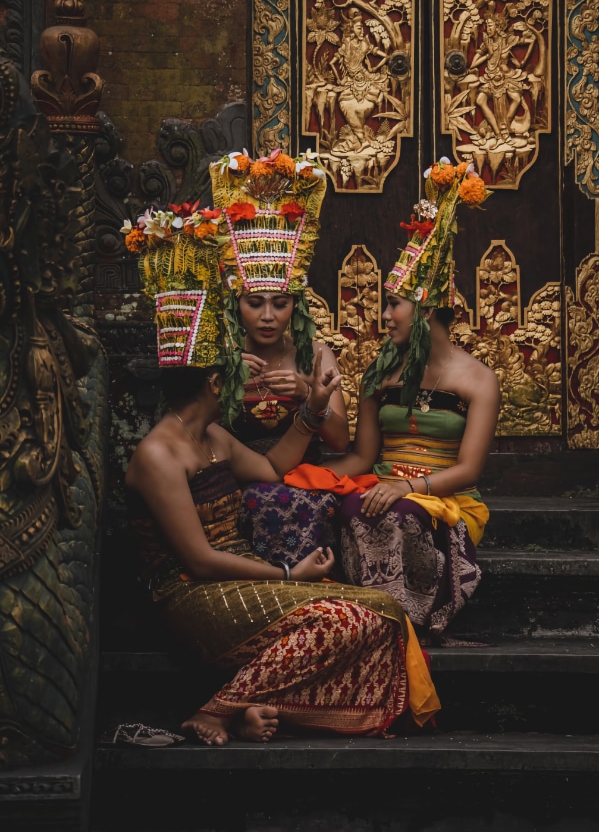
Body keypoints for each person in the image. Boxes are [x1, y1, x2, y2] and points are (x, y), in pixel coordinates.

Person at [122, 211, 439, 744]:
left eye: (280, 302)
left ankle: (261, 705)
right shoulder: (159, 453)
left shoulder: (213, 437)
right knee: (346, 619)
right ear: (219, 379)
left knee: (383, 614)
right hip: (192, 595)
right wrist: (291, 575)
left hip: (244, 571)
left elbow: (272, 467)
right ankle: (217, 708)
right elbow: (198, 562)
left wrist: (312, 407)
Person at [317, 159, 500, 642]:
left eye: (394, 304)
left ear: (427, 308)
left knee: (401, 514)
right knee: (351, 508)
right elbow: (362, 456)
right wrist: (311, 475)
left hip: (447, 497)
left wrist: (408, 487)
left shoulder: (478, 379)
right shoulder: (381, 373)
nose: (385, 315)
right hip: (383, 485)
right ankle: (374, 620)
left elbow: (469, 470)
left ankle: (417, 617)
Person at [210, 148, 349, 567]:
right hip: (239, 478)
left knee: (299, 500)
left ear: (296, 306)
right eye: (255, 303)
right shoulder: (221, 356)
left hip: (304, 481)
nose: (268, 316)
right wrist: (228, 384)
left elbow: (341, 441)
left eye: (280, 303)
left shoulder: (314, 353)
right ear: (238, 303)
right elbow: (198, 434)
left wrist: (311, 394)